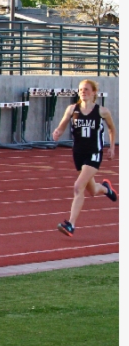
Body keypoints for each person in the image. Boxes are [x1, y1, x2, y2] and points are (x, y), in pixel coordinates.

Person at [52, 79, 117, 236]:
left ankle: (71, 224)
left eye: (87, 89)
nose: (83, 92)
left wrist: (112, 147)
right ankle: (106, 189)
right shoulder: (72, 109)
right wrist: (57, 133)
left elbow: (111, 129)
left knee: (78, 186)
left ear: (94, 92)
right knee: (93, 190)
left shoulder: (102, 111)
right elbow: (61, 127)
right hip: (78, 153)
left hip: (94, 153)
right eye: (81, 89)